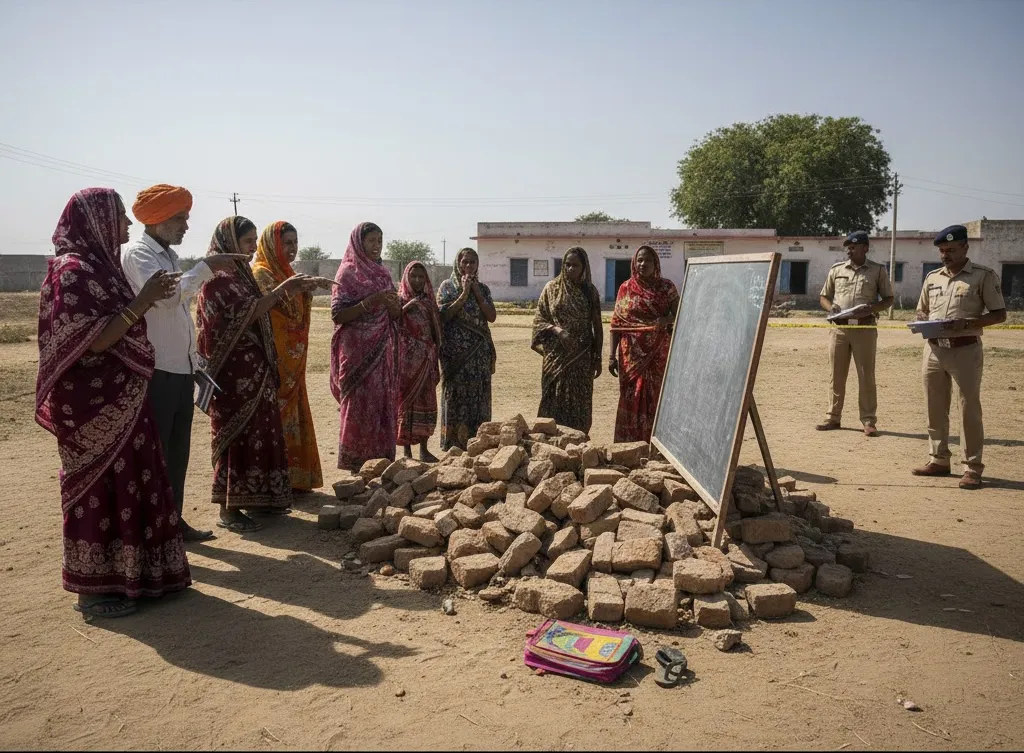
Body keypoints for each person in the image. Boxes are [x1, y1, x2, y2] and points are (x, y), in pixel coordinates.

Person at [36, 188, 192, 618]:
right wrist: (142, 301)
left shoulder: (101, 268)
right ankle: (93, 590)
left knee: (136, 482)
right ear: (95, 220)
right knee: (99, 490)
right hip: (91, 405)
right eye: (120, 217)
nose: (126, 225)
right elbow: (91, 340)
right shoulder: (71, 272)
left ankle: (141, 578)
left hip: (125, 394)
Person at [122, 183, 249, 542]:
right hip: (157, 370)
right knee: (157, 454)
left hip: (180, 369)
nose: (186, 227)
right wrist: (207, 268)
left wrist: (196, 362)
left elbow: (178, 311)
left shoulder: (169, 257)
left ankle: (172, 520)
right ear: (158, 219)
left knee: (176, 455)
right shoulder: (138, 254)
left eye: (186, 218)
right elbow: (167, 298)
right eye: (179, 219)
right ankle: (155, 529)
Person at [196, 217, 317, 532]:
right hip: (232, 374)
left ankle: (260, 501)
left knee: (262, 431)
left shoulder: (242, 276)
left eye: (252, 242)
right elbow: (238, 317)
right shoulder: (216, 280)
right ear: (229, 243)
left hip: (257, 368)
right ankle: (229, 511)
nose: (251, 249)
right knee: (237, 436)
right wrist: (282, 291)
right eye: (246, 242)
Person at [911, 224, 1006, 490]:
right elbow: (922, 311)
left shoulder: (983, 276)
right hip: (933, 349)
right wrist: (920, 322)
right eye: (942, 250)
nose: (945, 255)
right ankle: (939, 459)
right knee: (934, 406)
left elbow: (999, 314)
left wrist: (967, 324)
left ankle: (972, 467)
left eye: (951, 250)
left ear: (965, 247)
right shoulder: (932, 278)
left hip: (965, 349)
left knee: (968, 409)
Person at [251, 221, 332, 493]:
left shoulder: (290, 274)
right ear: (272, 245)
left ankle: (295, 479)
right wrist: (294, 288)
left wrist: (307, 289)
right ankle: (277, 483)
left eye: (295, 243)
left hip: (293, 363)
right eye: (286, 243)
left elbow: (296, 312)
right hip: (275, 360)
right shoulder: (262, 274)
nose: (292, 248)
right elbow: (270, 313)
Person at [330, 222, 402, 471]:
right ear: (359, 242)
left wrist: (394, 306)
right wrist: (370, 302)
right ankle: (355, 464)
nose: (376, 246)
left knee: (382, 402)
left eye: (380, 241)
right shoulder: (347, 274)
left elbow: (395, 313)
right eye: (371, 241)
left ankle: (381, 463)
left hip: (382, 349)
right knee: (358, 405)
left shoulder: (383, 274)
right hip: (356, 352)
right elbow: (338, 315)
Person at [816, 230, 895, 437]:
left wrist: (872, 309)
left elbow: (888, 299)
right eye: (848, 247)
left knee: (865, 375)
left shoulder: (877, 271)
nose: (849, 250)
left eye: (854, 246)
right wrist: (830, 307)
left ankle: (868, 420)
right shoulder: (837, 269)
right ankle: (833, 417)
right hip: (840, 328)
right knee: (836, 374)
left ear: (865, 248)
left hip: (864, 328)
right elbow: (824, 296)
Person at [609, 245, 678, 443]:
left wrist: (665, 321)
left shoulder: (666, 287)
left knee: (656, 397)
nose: (643, 264)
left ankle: (657, 444)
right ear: (634, 263)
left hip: (658, 353)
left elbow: (682, 311)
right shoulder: (625, 288)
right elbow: (617, 324)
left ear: (656, 263)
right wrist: (611, 356)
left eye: (648, 260)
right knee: (631, 397)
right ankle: (629, 445)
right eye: (639, 260)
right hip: (630, 356)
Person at [531, 246, 603, 434]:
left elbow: (597, 326)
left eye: (575, 265)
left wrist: (598, 357)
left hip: (582, 358)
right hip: (556, 358)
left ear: (584, 267)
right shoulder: (551, 288)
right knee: (553, 398)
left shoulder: (590, 291)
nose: (570, 269)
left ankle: (577, 446)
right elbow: (539, 320)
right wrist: (557, 331)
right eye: (567, 264)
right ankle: (548, 445)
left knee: (580, 403)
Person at [437, 247, 497, 450]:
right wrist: (463, 294)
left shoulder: (484, 289)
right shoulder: (447, 288)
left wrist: (477, 294)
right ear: (458, 263)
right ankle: (453, 444)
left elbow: (491, 317)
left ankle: (478, 443)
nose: (469, 266)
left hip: (479, 356)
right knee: (455, 396)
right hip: (455, 356)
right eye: (465, 262)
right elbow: (443, 316)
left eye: (473, 262)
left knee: (478, 398)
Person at [396, 261, 443, 461]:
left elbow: (436, 331)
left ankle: (424, 449)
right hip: (406, 363)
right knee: (406, 405)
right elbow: (393, 324)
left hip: (426, 360)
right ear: (406, 278)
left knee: (427, 402)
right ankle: (406, 452)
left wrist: (433, 353)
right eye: (413, 276)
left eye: (421, 277)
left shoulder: (429, 302)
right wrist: (407, 307)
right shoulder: (399, 301)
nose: (416, 280)